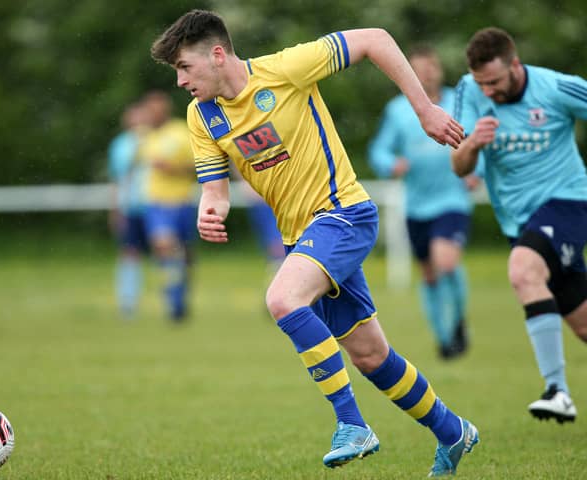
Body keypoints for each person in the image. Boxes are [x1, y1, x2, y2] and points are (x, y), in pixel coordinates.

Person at [151, 10, 478, 476]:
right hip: (301, 239)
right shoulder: (202, 115)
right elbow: (215, 190)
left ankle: (352, 424)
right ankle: (453, 432)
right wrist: (211, 211)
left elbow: (375, 38)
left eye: (184, 67)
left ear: (218, 54)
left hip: (343, 213)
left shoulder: (286, 69)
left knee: (282, 300)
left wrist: (424, 108)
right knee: (369, 356)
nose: (181, 80)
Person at [451, 27, 587, 423]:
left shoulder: (557, 88)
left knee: (523, 271)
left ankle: (557, 390)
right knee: (581, 323)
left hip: (569, 202)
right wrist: (472, 143)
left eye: (494, 82)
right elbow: (459, 166)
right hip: (519, 220)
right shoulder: (468, 90)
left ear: (515, 65)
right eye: (482, 84)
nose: (488, 91)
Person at [368, 45, 478, 360]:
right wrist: (391, 164)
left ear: (439, 69)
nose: (426, 73)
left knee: (446, 262)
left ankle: (458, 322)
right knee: (429, 273)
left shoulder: (461, 104)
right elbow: (379, 150)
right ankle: (444, 338)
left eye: (431, 66)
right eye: (418, 68)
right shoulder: (398, 110)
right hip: (416, 204)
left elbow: (478, 141)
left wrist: (476, 171)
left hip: (453, 198)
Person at [137, 90, 198, 322]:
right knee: (164, 246)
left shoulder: (180, 132)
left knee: (184, 254)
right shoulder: (144, 137)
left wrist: (172, 169)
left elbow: (198, 167)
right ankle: (172, 299)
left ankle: (181, 298)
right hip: (157, 204)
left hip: (182, 201)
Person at [107, 101, 150, 317]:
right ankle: (128, 302)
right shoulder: (120, 145)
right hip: (131, 207)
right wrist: (115, 209)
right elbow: (116, 179)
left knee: (170, 250)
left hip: (157, 204)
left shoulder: (158, 140)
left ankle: (173, 302)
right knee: (129, 253)